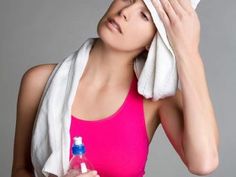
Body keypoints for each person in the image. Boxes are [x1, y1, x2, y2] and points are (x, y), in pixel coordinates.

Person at [11, 0, 219, 177]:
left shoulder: (156, 99)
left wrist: (188, 51)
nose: (125, 12)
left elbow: (204, 162)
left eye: (145, 16)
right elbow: (21, 170)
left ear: (156, 39)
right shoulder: (39, 81)